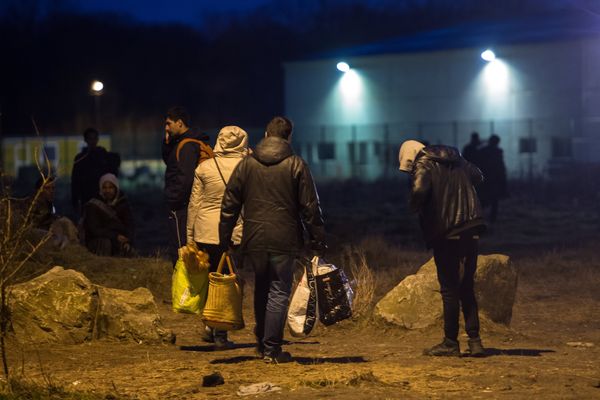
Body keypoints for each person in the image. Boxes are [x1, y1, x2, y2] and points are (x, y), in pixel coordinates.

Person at [219, 116, 326, 364]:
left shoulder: (246, 164)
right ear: (289, 137)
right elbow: (311, 207)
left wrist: (225, 237)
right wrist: (318, 239)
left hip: (254, 237)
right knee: (279, 291)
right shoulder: (297, 164)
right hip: (284, 238)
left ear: (266, 135)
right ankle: (272, 349)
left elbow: (229, 203)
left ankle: (261, 342)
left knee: (262, 288)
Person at [398, 140, 486, 357]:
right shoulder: (457, 158)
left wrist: (414, 206)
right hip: (472, 227)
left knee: (449, 289)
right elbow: (478, 177)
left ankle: (450, 342)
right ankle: (475, 342)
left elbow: (419, 190)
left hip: (447, 231)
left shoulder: (423, 163)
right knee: (467, 286)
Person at [187, 125, 249, 350]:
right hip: (233, 232)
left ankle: (209, 326)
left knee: (210, 278)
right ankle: (220, 334)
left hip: (205, 231)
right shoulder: (247, 167)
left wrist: (190, 238)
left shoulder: (204, 168)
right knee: (227, 282)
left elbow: (194, 204)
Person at [162, 106, 210, 263]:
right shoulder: (184, 142)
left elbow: (185, 178)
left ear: (180, 123)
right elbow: (171, 164)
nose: (166, 128)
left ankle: (184, 285)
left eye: (169, 124)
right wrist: (167, 142)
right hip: (187, 205)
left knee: (180, 250)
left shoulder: (187, 146)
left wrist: (173, 201)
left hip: (182, 208)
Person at [83, 173, 134, 256]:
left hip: (119, 239)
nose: (107, 191)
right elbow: (94, 229)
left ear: (115, 188)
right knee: (105, 243)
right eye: (104, 188)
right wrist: (115, 236)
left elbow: (130, 224)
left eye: (111, 187)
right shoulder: (93, 206)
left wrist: (127, 240)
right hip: (100, 241)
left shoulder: (123, 203)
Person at [71, 127, 109, 216]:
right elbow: (75, 180)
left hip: (101, 195)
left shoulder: (103, 156)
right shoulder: (80, 158)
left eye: (94, 138)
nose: (92, 141)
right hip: (86, 196)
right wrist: (75, 199)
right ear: (85, 140)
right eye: (90, 138)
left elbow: (110, 175)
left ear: (97, 139)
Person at [477, 134, 507, 223]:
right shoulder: (498, 151)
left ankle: (479, 217)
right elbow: (500, 165)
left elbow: (479, 164)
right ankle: (491, 219)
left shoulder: (483, 150)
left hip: (485, 177)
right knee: (494, 199)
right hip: (494, 178)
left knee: (484, 198)